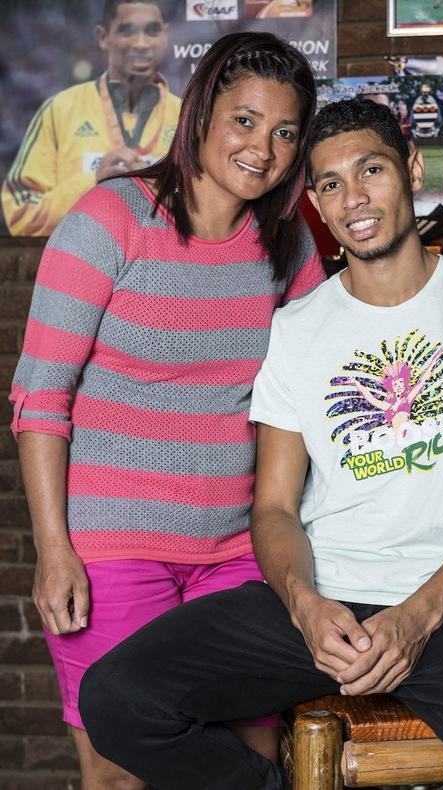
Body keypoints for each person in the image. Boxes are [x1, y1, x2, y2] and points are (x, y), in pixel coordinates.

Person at [79, 97, 443, 789]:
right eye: (331, 184)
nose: (353, 198)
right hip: (324, 602)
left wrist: (416, 619)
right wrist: (305, 606)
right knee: (118, 697)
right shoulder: (300, 325)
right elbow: (274, 507)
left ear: (411, 172)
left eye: (371, 170)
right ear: (315, 201)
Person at [9, 31, 323, 790]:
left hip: (241, 552)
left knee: (246, 764)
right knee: (120, 772)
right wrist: (55, 551)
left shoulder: (287, 243)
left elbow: (324, 382)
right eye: (245, 121)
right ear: (201, 115)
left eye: (285, 133)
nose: (263, 149)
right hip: (113, 550)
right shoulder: (111, 219)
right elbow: (40, 398)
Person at [1, 0, 181, 237]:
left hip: (160, 269)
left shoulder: (185, 116)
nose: (141, 43)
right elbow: (20, 213)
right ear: (103, 37)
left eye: (152, 31)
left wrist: (151, 188)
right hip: (76, 266)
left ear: (165, 36)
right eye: (127, 31)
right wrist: (94, 181)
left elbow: (207, 217)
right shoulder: (61, 109)